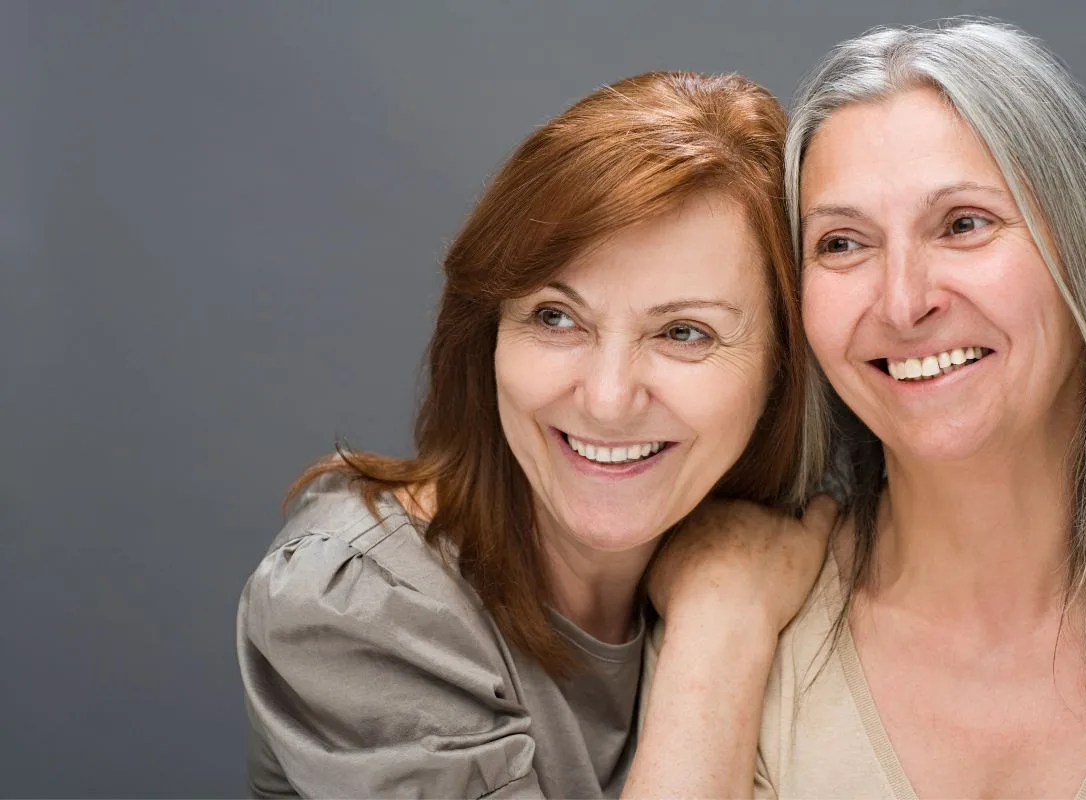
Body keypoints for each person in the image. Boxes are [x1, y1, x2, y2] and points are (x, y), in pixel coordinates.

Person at [235, 71, 834, 799]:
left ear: (783, 370)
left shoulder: (806, 558)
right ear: (489, 334)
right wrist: (721, 621)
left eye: (684, 332)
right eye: (556, 317)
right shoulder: (358, 607)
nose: (609, 400)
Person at [677, 18, 1086, 797]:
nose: (903, 302)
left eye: (963, 225)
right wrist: (712, 635)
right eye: (843, 244)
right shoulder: (738, 627)